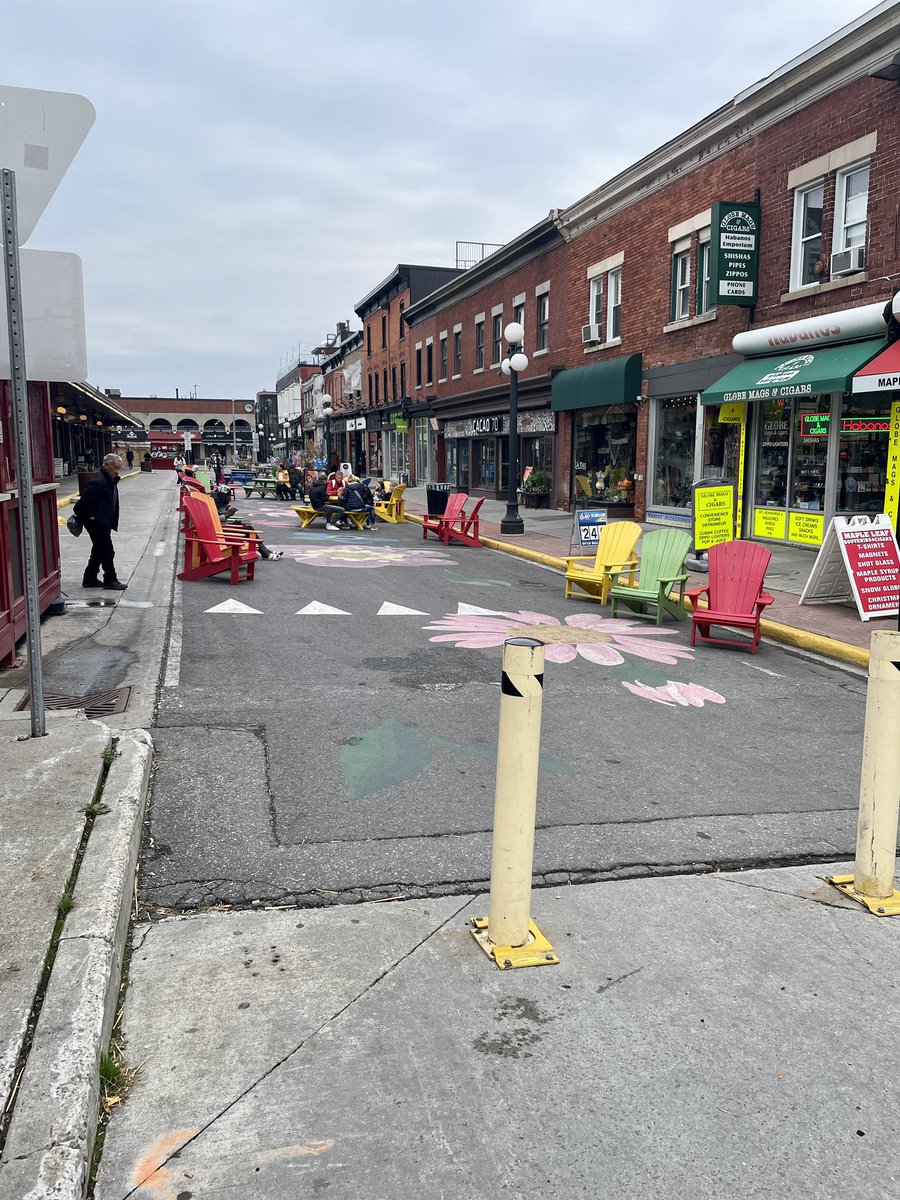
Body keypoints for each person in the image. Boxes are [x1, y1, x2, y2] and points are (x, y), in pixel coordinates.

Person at [73, 453, 127, 590]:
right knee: (108, 551)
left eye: (119, 468)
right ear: (107, 465)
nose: (117, 470)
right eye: (115, 467)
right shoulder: (99, 482)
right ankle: (110, 579)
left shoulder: (109, 480)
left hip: (104, 521)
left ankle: (89, 578)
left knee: (98, 550)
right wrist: (91, 518)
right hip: (97, 523)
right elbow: (80, 505)